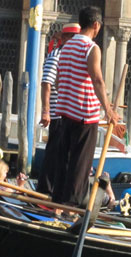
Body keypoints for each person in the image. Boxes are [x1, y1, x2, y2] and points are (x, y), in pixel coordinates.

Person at [52, 6, 120, 206]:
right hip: (84, 114)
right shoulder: (91, 48)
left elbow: (58, 81)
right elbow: (97, 79)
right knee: (80, 164)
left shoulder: (66, 47)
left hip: (65, 111)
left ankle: (58, 203)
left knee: (64, 159)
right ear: (96, 25)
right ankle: (70, 208)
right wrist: (108, 109)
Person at [37, 23, 81, 195]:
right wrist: (46, 111)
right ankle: (45, 190)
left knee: (65, 156)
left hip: (69, 113)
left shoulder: (72, 56)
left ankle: (57, 190)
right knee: (54, 154)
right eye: (74, 38)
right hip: (57, 113)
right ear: (65, 39)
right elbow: (46, 83)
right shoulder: (56, 56)